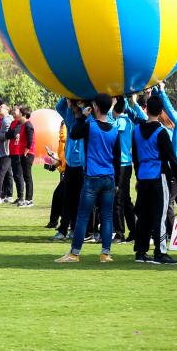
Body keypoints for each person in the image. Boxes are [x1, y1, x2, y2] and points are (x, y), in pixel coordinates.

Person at [55, 93, 120, 264]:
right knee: (106, 217)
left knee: (83, 216)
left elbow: (74, 134)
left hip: (92, 177)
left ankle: (74, 254)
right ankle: (105, 254)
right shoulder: (114, 129)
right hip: (109, 178)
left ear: (96, 108)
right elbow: (117, 158)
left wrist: (82, 117)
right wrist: (118, 182)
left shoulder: (90, 126)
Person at [131, 95, 177, 265]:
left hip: (143, 177)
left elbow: (135, 157)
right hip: (159, 177)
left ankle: (140, 251)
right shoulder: (161, 132)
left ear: (146, 109)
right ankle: (160, 252)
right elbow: (171, 157)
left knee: (143, 215)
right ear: (160, 112)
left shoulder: (136, 130)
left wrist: (138, 175)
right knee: (159, 215)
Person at [154, 82, 177, 237]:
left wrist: (162, 92)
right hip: (176, 167)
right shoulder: (170, 128)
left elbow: (169, 109)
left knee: (167, 202)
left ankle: (172, 234)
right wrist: (155, 92)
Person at [53, 98, 86, 242]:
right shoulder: (69, 119)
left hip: (83, 166)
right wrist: (67, 95)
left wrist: (83, 106)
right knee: (68, 198)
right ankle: (63, 228)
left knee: (79, 199)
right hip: (71, 165)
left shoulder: (88, 120)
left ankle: (75, 228)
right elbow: (59, 106)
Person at [113, 96, 145, 242]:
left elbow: (109, 127)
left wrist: (111, 106)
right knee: (125, 200)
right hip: (125, 165)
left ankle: (120, 234)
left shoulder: (121, 121)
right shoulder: (128, 120)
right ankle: (134, 231)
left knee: (118, 200)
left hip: (122, 165)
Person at [13, 106, 35, 207]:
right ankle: (26, 199)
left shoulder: (28, 125)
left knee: (27, 177)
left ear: (24, 115)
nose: (19, 115)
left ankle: (29, 200)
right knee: (25, 177)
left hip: (28, 154)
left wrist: (26, 152)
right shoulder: (23, 125)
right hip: (23, 153)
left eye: (20, 113)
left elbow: (30, 140)